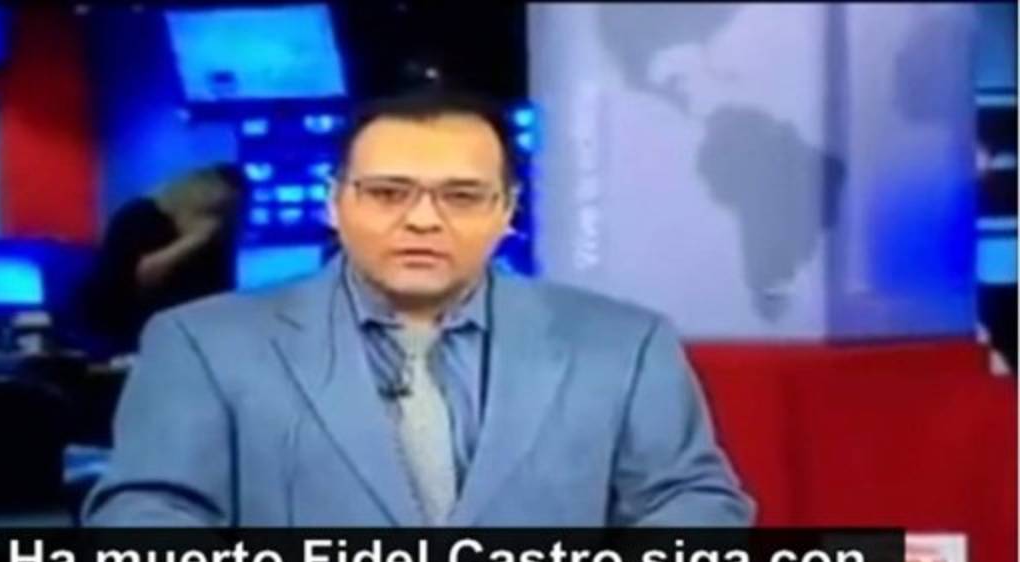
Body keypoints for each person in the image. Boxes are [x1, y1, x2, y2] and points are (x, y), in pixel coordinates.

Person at [83, 88, 754, 527]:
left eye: (461, 196)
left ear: (506, 211)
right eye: (388, 193)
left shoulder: (623, 344)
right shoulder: (202, 344)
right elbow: (145, 510)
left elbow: (693, 500)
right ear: (335, 203)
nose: (424, 220)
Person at [81, 165, 246, 355]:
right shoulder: (140, 216)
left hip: (185, 330)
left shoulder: (219, 235)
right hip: (123, 325)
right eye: (216, 208)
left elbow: (219, 292)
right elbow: (139, 277)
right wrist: (192, 240)